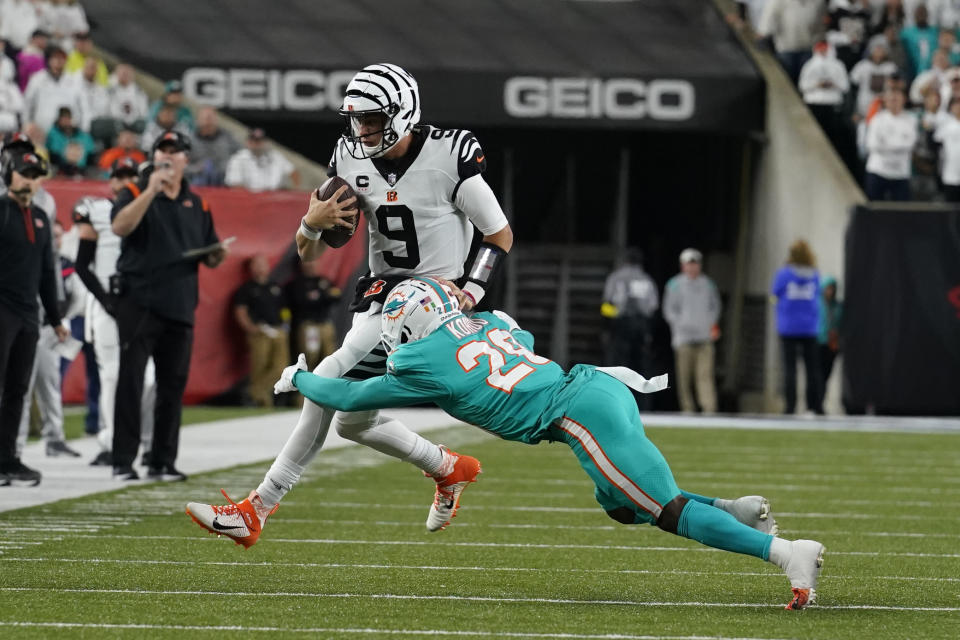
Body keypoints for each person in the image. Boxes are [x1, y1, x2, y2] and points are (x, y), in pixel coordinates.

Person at [186, 278, 826, 611]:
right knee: (621, 506)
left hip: (580, 415)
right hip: (587, 390)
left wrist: (299, 376)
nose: (389, 334)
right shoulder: (482, 319)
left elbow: (350, 401)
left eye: (393, 325)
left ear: (407, 322)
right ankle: (737, 514)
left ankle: (784, 553)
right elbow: (505, 329)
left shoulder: (422, 361)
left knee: (664, 512)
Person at [224, 63, 515, 533]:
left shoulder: (448, 154)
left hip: (428, 300)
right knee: (352, 424)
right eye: (357, 119)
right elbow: (307, 252)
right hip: (382, 296)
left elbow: (498, 234)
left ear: (403, 113)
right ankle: (447, 467)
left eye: (374, 119)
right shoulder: (348, 157)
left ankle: (256, 509)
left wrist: (473, 289)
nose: (363, 130)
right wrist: (309, 224)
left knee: (326, 382)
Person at [110, 131, 227, 481]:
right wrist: (150, 189)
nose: (168, 155)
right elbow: (119, 226)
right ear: (154, 156)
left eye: (174, 151)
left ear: (185, 160)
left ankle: (162, 459)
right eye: (162, 149)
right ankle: (122, 460)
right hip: (139, 303)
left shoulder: (198, 202)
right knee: (130, 381)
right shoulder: (134, 191)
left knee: (172, 386)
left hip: (179, 304)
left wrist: (218, 254)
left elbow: (211, 251)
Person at [73, 157, 157, 467]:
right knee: (111, 375)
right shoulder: (94, 210)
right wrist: (106, 300)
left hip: (141, 302)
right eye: (118, 176)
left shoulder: (151, 207)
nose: (123, 182)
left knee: (149, 378)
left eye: (129, 176)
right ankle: (111, 441)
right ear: (110, 180)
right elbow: (82, 264)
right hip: (108, 302)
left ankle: (147, 443)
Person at [0, 150, 70, 486]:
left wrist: (55, 318)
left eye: (33, 174)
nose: (28, 179)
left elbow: (46, 274)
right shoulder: (1, 211)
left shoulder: (41, 217)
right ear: (9, 174)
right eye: (23, 173)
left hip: (29, 314)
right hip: (2, 310)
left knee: (17, 389)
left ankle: (8, 460)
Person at [16, 219, 82, 459]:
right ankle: (15, 446)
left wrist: (62, 320)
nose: (54, 241)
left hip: (48, 330)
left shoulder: (65, 264)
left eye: (57, 236)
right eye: (50, 236)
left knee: (50, 387)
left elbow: (76, 297)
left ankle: (55, 439)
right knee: (18, 388)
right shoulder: (27, 260)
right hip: (23, 328)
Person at [663, 248, 721, 413]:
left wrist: (709, 323)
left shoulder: (708, 284)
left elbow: (715, 306)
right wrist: (681, 324)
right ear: (683, 266)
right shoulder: (674, 285)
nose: (692, 267)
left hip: (704, 337)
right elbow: (669, 310)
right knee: (684, 377)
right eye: (689, 264)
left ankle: (708, 408)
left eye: (695, 264)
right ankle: (688, 408)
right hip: (683, 338)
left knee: (704, 375)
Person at [600, 247, 658, 410]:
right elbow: (653, 307)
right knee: (641, 366)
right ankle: (643, 405)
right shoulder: (646, 279)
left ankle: (615, 402)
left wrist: (607, 326)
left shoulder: (616, 277)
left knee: (617, 365)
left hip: (620, 326)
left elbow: (607, 304)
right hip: (641, 326)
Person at [771, 239, 823, 415]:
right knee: (812, 369)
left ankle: (790, 407)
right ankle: (814, 406)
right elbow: (818, 296)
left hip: (788, 327)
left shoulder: (784, 274)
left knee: (790, 369)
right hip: (809, 327)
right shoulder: (814, 274)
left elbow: (774, 295)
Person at [233, 254, 290, 407]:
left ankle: (253, 392)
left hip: (277, 330)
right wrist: (249, 327)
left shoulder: (275, 287)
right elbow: (240, 311)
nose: (260, 267)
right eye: (256, 264)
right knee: (259, 367)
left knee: (280, 367)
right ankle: (263, 402)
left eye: (262, 264)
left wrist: (285, 324)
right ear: (251, 268)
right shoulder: (246, 289)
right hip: (260, 331)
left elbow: (284, 309)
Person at [286, 258, 341, 370]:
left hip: (324, 323)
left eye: (313, 261)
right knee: (310, 356)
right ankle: (307, 384)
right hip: (308, 325)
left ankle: (327, 383)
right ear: (301, 264)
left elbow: (336, 296)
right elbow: (299, 303)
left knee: (330, 355)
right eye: (308, 261)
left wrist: (318, 298)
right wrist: (322, 297)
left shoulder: (324, 281)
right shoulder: (296, 284)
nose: (311, 264)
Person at [864, 87, 917, 200]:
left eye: (897, 99)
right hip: (878, 170)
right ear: (886, 101)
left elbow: (910, 144)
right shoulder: (877, 119)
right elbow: (872, 145)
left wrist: (885, 144)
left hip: (900, 173)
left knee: (901, 212)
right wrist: (899, 144)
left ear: (904, 100)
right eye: (891, 99)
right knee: (874, 209)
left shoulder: (911, 119)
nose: (894, 102)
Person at [23, 44, 83, 132]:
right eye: (55, 57)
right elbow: (28, 104)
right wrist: (27, 123)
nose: (59, 61)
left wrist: (78, 126)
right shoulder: (37, 79)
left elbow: (80, 107)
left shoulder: (73, 80)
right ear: (49, 60)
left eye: (62, 58)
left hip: (66, 131)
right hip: (41, 129)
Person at [224, 128, 299, 191]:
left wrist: (293, 191)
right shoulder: (238, 159)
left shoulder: (276, 156)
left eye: (259, 141)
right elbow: (234, 185)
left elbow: (293, 172)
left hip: (274, 199)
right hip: (249, 200)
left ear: (266, 142)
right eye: (254, 140)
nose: (257, 144)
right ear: (248, 142)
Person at [186, 106, 240, 186]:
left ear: (216, 120)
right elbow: (181, 166)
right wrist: (196, 168)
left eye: (211, 117)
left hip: (224, 181)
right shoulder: (189, 140)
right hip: (198, 181)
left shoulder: (228, 138)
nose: (208, 121)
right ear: (198, 120)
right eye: (205, 118)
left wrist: (227, 167)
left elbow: (241, 157)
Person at [46, 105, 95, 175]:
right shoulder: (52, 135)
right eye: (63, 118)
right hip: (61, 170)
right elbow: (54, 153)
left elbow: (90, 152)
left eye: (68, 118)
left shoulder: (83, 135)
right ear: (59, 120)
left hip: (83, 170)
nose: (66, 121)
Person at [817, 275, 843, 396]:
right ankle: (814, 403)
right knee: (817, 374)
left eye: (832, 289)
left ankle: (820, 402)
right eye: (828, 288)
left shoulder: (838, 307)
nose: (830, 291)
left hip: (832, 344)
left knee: (826, 374)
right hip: (818, 343)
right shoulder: (817, 305)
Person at [107, 63, 149, 129]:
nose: (124, 76)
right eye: (123, 73)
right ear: (116, 73)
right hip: (113, 125)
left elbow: (143, 113)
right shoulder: (107, 87)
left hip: (132, 126)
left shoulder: (139, 92)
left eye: (127, 73)